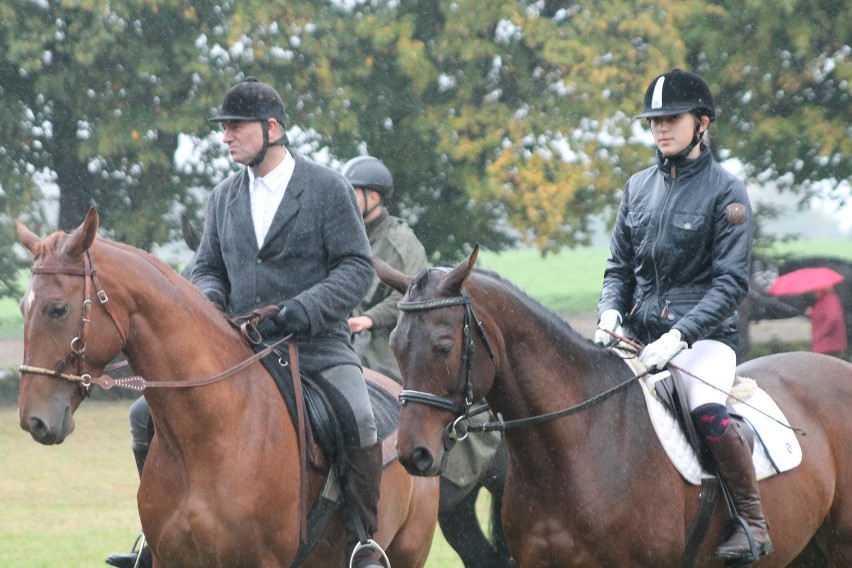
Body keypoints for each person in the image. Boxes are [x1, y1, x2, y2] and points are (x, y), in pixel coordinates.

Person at [107, 77, 384, 568]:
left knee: (358, 416)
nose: (225, 136)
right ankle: (157, 535)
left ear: (271, 127)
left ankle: (363, 539)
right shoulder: (223, 198)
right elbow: (208, 269)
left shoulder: (326, 188)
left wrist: (300, 309)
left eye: (235, 126)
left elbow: (356, 268)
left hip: (314, 345)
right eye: (224, 127)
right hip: (237, 349)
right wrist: (210, 304)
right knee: (143, 416)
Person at [594, 69, 772, 564]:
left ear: (702, 123)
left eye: (671, 119)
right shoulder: (636, 188)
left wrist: (680, 335)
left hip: (704, 341)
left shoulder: (726, 192)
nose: (660, 129)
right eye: (654, 122)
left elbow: (731, 283)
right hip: (636, 337)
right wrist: (610, 310)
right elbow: (617, 269)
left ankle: (751, 520)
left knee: (704, 410)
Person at [343, 155, 429, 382]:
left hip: (386, 344)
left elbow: (414, 292)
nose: (344, 199)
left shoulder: (400, 241)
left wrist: (370, 318)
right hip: (341, 338)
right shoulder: (343, 234)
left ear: (372, 197)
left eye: (351, 193)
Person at [806, 285, 848, 358]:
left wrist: (820, 333)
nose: (814, 291)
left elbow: (833, 318)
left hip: (828, 346)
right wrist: (813, 312)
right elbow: (824, 316)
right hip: (825, 345)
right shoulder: (824, 300)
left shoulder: (830, 299)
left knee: (823, 368)